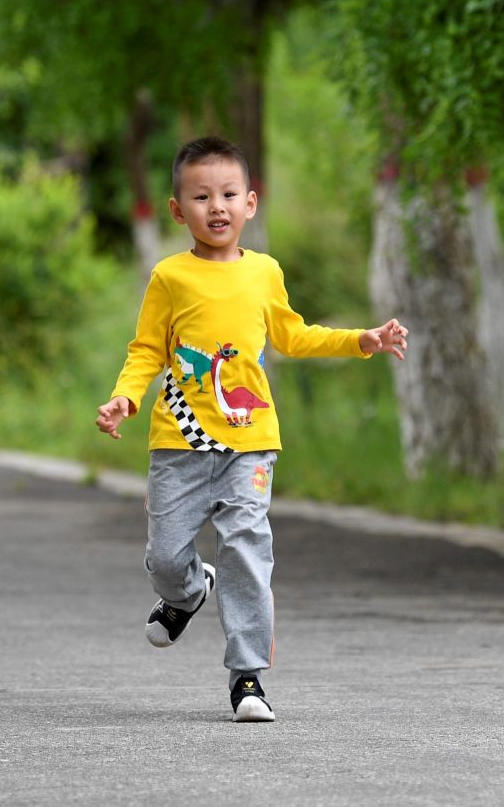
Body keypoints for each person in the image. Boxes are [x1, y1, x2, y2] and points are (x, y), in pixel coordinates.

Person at [95, 136, 408, 723]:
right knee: (165, 557)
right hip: (179, 444)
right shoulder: (170, 277)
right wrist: (123, 399)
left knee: (247, 549)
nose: (216, 206)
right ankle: (188, 592)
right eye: (201, 196)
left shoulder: (264, 272)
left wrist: (360, 341)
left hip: (250, 441)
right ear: (177, 209)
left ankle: (247, 679)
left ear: (251, 204)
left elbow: (294, 335)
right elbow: (145, 351)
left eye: (229, 194)